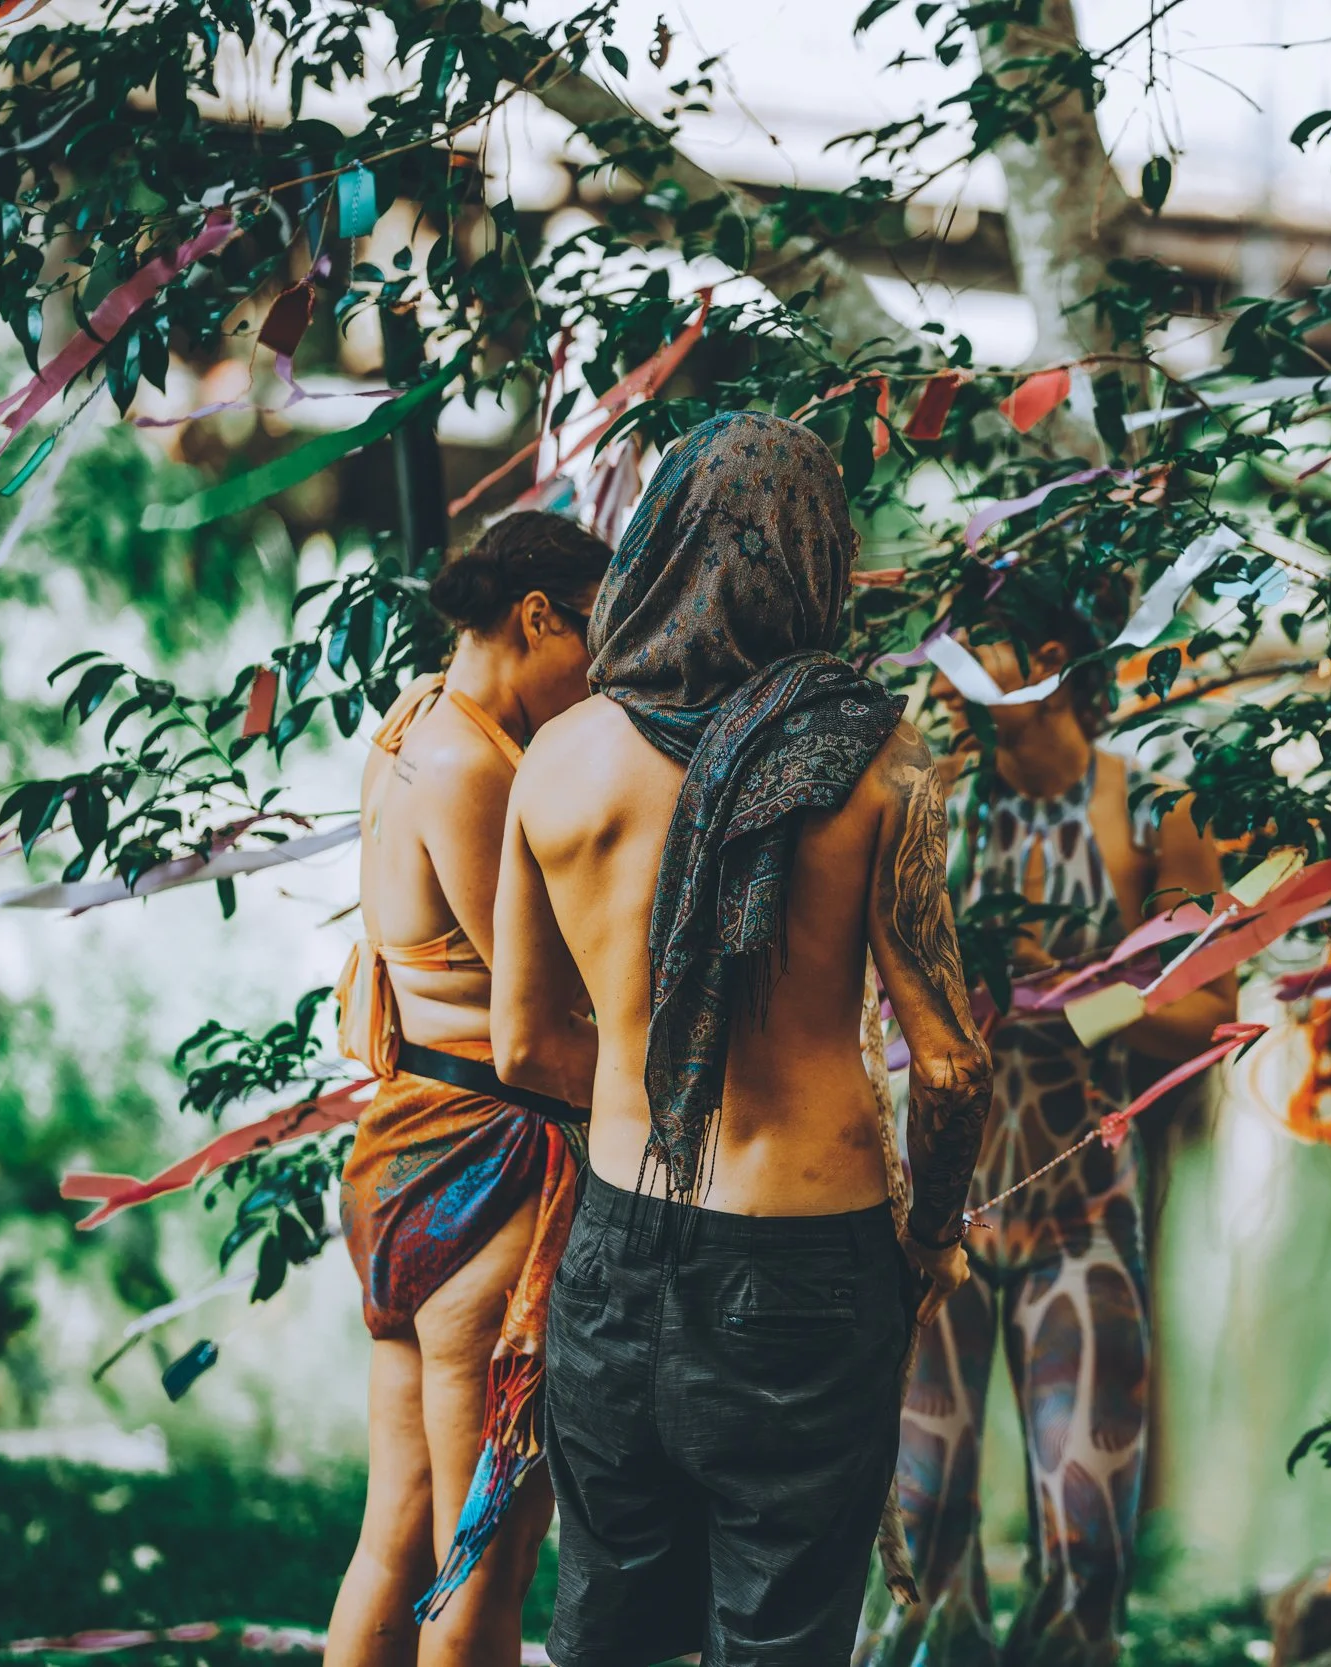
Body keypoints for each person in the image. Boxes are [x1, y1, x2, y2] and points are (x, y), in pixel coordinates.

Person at [489, 411, 994, 1667]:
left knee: (609, 1634)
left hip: (617, 1246)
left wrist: (643, 1089)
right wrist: (930, 1238)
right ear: (815, 558)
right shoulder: (874, 760)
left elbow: (519, 1042)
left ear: (659, 543)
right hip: (810, 1264)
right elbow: (950, 1065)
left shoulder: (557, 756)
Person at [859, 570, 1237, 1667]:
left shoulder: (1154, 811)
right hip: (936, 1222)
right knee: (918, 1543)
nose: (965, 675)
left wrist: (1074, 996)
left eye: (992, 650)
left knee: (1089, 1545)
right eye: (956, 653)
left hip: (1084, 1220)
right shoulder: (920, 806)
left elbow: (1214, 1014)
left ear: (1060, 662)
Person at [326, 511, 613, 1667]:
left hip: (405, 1164)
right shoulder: (471, 765)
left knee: (395, 1542)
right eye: (599, 638)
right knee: (476, 1572)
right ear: (538, 616)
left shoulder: (409, 728)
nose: (603, 674)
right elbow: (540, 1006)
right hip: (482, 1177)